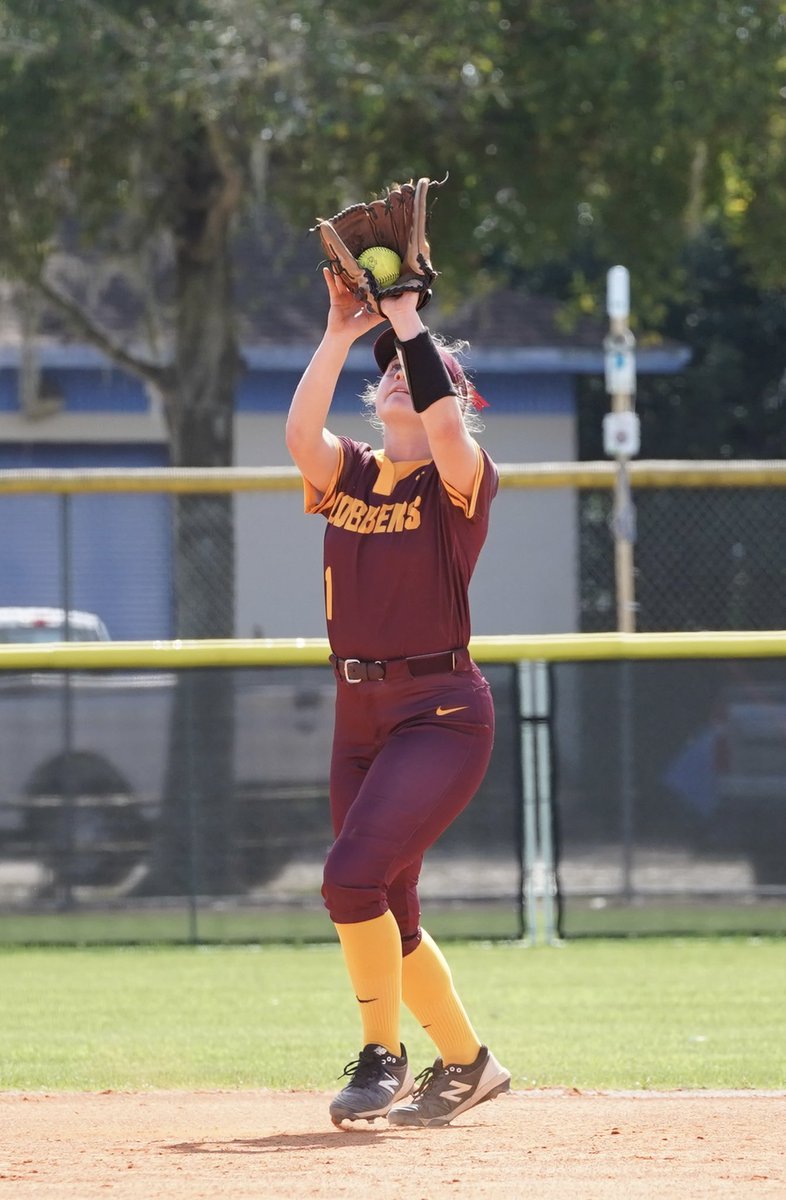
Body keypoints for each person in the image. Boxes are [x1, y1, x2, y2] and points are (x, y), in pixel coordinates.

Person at [285, 267, 511, 1129]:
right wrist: (343, 331)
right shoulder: (352, 474)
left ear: (443, 396)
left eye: (406, 371)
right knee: (390, 905)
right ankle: (468, 1063)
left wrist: (411, 325)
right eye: (382, 369)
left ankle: (383, 1054)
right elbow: (301, 432)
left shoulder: (460, 479)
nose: (389, 377)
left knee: (350, 877)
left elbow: (449, 424)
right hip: (360, 717)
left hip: (441, 713)